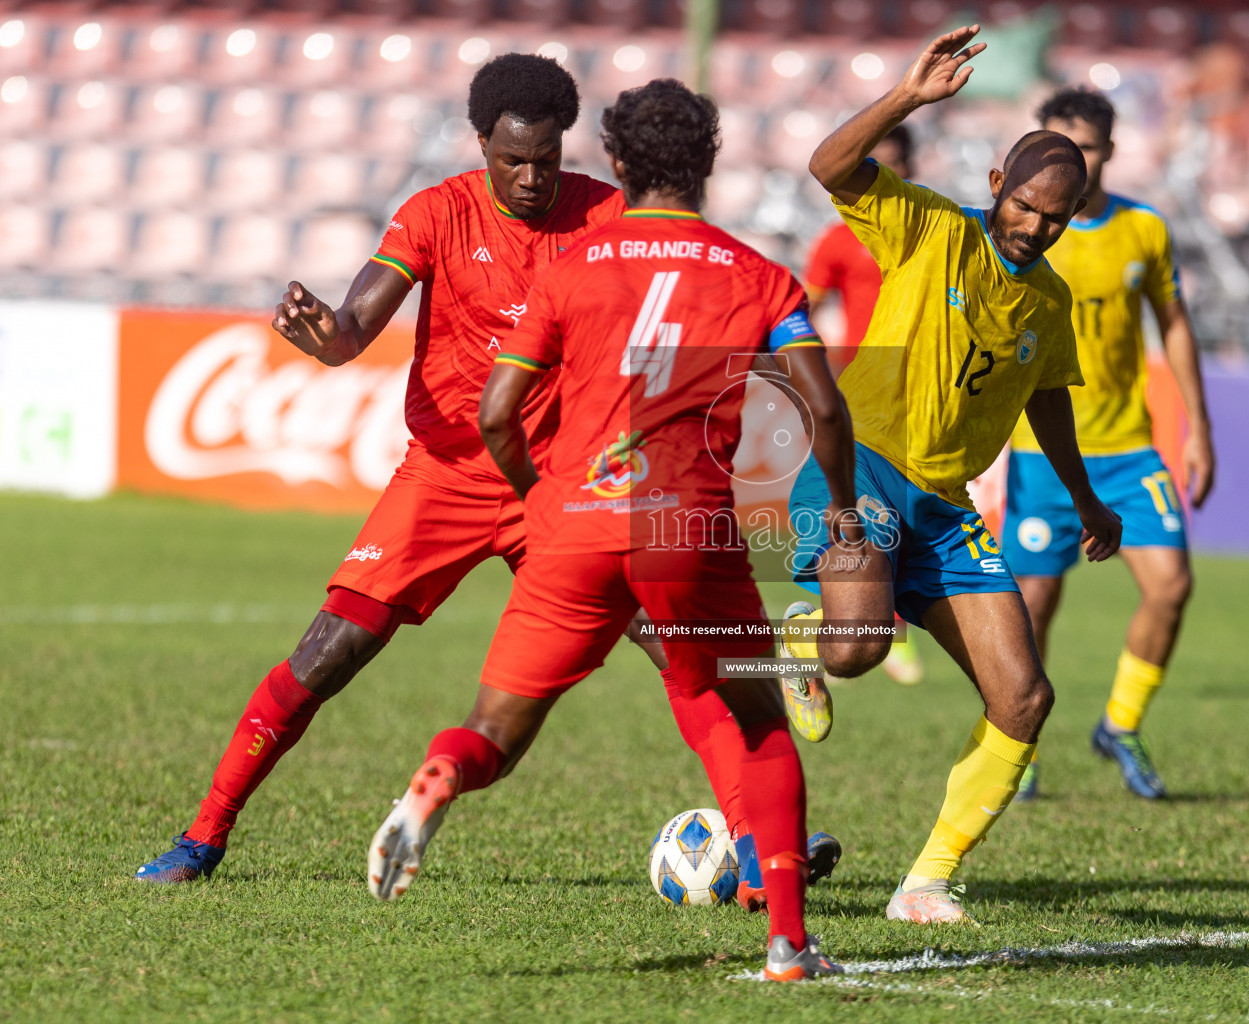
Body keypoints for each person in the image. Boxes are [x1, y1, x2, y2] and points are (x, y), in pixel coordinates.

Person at [133, 55, 840, 900]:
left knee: (678, 649)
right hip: (446, 476)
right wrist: (327, 338)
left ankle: (763, 843)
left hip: (572, 479)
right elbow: (357, 324)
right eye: (513, 160)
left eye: (546, 158)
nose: (533, 177)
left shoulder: (610, 216)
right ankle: (203, 834)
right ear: (481, 146)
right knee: (328, 654)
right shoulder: (435, 215)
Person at [366, 79, 854, 982]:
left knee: (495, 734)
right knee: (760, 722)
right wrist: (843, 510)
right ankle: (788, 944)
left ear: (618, 164)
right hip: (690, 534)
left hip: (576, 530)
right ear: (708, 164)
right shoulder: (760, 275)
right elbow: (822, 405)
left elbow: (499, 412)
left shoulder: (569, 266)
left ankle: (437, 776)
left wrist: (545, 497)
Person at [780, 26, 1122, 925]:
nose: (1036, 225)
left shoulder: (1050, 300)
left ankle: (925, 881)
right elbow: (829, 164)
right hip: (860, 472)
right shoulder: (931, 228)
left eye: (1057, 215)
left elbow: (1047, 398)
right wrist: (906, 97)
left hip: (947, 508)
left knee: (1026, 695)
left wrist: (1088, 499)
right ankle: (800, 641)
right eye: (1027, 205)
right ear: (996, 187)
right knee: (854, 651)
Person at [1005, 87, 1215, 802]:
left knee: (1172, 586)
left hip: (1129, 448)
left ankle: (1120, 724)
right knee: (1033, 602)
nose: (1070, 159)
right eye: (1056, 143)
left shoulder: (1143, 231)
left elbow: (1175, 325)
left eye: (1085, 147)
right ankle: (1017, 742)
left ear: (1110, 152)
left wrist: (1198, 429)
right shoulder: (1018, 232)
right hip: (1040, 453)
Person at [802, 125, 926, 688]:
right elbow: (805, 308)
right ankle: (857, 621)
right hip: (855, 390)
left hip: (921, 391)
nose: (885, 173)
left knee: (907, 509)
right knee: (855, 510)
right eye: (875, 163)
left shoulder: (929, 233)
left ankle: (847, 621)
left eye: (895, 163)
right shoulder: (837, 238)